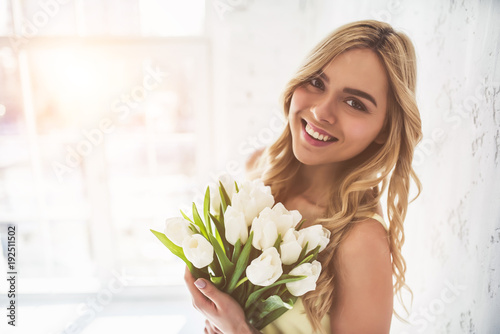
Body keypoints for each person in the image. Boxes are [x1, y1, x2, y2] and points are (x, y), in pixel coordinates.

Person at [184, 19, 422, 334]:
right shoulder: (259, 166)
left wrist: (238, 330)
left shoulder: (360, 241)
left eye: (354, 103)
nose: (322, 112)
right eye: (316, 83)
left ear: (384, 130)